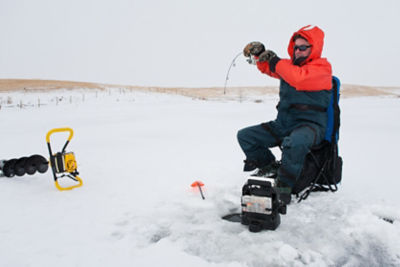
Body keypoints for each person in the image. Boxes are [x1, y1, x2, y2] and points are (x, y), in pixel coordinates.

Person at [237, 25, 333, 197]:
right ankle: (270, 167)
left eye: (303, 47)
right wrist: (260, 55)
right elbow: (271, 67)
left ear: (314, 48)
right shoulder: (289, 66)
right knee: (246, 136)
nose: (298, 51)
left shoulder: (322, 69)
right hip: (284, 124)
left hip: (310, 126)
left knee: (294, 143)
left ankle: (283, 188)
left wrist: (275, 61)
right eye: (296, 47)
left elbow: (299, 78)